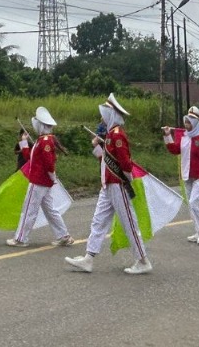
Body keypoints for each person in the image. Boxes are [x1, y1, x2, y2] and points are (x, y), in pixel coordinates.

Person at [65, 94, 152, 275]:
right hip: (107, 185)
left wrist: (126, 180)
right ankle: (88, 259)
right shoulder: (110, 134)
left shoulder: (117, 134)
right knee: (98, 221)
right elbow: (105, 160)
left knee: (129, 223)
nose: (101, 118)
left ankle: (143, 260)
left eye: (104, 114)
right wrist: (96, 146)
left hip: (118, 185)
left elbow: (125, 163)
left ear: (111, 114)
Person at [7, 106, 74, 249]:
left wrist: (52, 176)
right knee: (50, 210)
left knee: (29, 209)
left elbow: (49, 163)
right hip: (43, 181)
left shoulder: (44, 141)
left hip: (39, 181)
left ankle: (20, 239)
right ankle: (64, 236)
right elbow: (30, 158)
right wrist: (24, 142)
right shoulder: (42, 140)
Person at [164, 105, 199, 246]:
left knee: (194, 203)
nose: (186, 124)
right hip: (186, 175)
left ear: (196, 123)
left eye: (190, 121)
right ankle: (197, 232)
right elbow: (174, 150)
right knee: (191, 205)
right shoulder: (184, 137)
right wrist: (167, 135)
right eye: (186, 121)